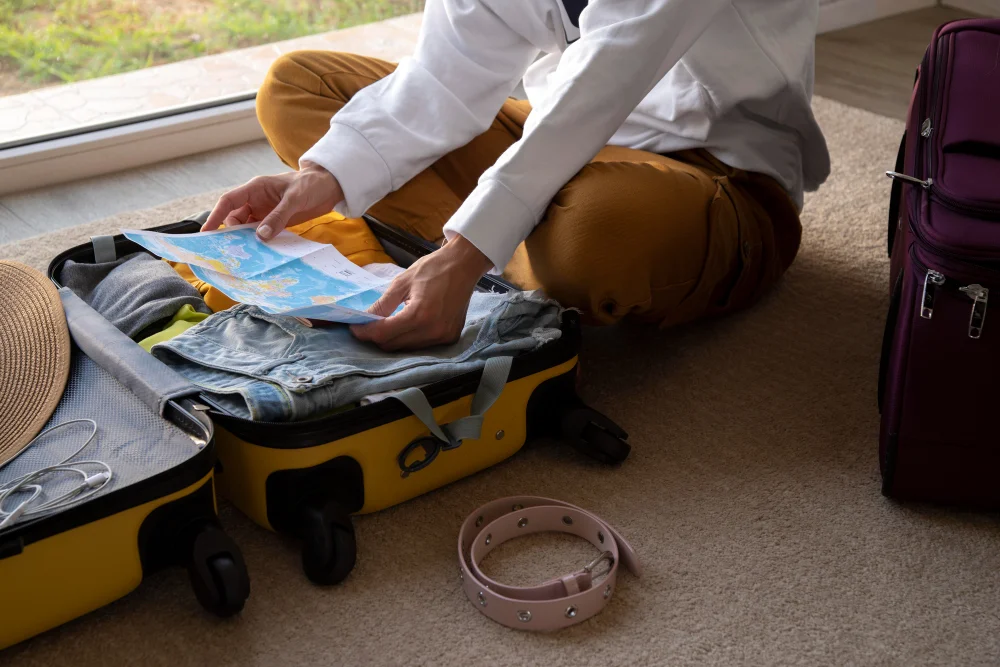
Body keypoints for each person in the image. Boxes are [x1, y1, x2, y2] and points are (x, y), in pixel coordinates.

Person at [205, 0, 830, 351]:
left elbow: (608, 76)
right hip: (558, 137)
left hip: (717, 178)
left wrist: (466, 250)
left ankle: (471, 258)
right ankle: (493, 251)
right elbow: (447, 73)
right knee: (298, 88)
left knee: (593, 237)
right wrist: (322, 177)